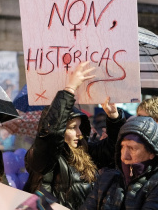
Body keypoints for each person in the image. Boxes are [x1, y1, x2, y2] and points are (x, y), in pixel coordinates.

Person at [23, 61, 126, 210]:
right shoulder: (44, 157)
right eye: (72, 128)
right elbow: (51, 136)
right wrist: (70, 89)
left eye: (79, 127)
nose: (79, 133)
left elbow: (114, 149)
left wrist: (114, 117)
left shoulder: (85, 152)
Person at [80, 116, 158, 210]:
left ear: (152, 152)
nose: (124, 156)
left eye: (132, 148)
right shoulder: (107, 178)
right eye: (122, 147)